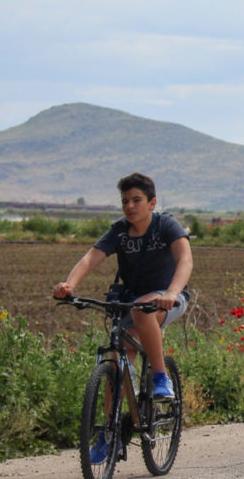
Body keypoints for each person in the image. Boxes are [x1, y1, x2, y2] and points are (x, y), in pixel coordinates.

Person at [53, 173, 193, 460]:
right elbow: (90, 258)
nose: (130, 206)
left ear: (152, 202)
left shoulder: (166, 225)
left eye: (136, 200)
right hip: (131, 300)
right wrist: (69, 285)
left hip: (168, 296)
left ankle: (160, 376)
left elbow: (185, 259)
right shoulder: (119, 231)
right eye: (125, 201)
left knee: (142, 310)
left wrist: (171, 292)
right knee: (116, 362)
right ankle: (110, 434)